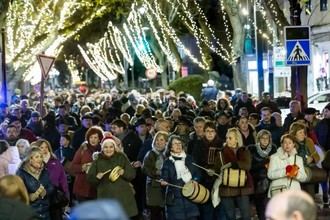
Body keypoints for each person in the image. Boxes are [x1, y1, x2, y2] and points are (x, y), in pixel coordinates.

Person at [87, 137, 138, 218]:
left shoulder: (122, 157)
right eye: (106, 147)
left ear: (114, 147)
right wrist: (97, 177)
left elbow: (132, 174)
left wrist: (123, 172)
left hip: (123, 197)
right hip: (106, 197)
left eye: (111, 147)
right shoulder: (97, 161)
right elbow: (90, 179)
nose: (108, 149)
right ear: (102, 148)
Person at [214, 127, 254, 220]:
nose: (227, 140)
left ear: (237, 139)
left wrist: (233, 164)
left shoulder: (245, 151)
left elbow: (247, 166)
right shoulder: (221, 153)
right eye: (227, 137)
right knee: (230, 216)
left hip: (243, 187)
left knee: (246, 216)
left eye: (230, 138)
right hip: (226, 188)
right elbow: (217, 169)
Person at [160, 135, 200, 220]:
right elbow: (164, 178)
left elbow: (197, 173)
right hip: (175, 201)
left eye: (179, 143)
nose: (178, 145)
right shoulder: (167, 162)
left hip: (191, 197)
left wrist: (196, 180)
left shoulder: (189, 158)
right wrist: (163, 181)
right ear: (170, 147)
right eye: (175, 144)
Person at [31, 139, 69, 220]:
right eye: (41, 147)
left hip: (54, 199)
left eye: (46, 147)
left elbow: (63, 181)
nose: (44, 150)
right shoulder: (31, 163)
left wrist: (66, 197)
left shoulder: (56, 162)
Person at [16, 147, 54, 219]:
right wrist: (29, 197)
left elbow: (51, 187)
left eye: (41, 156)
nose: (40, 159)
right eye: (37, 157)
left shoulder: (45, 171)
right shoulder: (21, 173)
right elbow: (17, 193)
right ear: (30, 159)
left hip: (45, 213)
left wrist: (46, 192)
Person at [248, 130, 277, 220]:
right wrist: (265, 162)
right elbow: (251, 167)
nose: (265, 140)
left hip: (270, 178)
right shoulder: (252, 149)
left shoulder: (273, 148)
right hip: (257, 179)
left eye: (267, 138)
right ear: (258, 139)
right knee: (260, 204)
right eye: (262, 138)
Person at [70, 126, 103, 202]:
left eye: (95, 137)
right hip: (82, 189)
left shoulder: (104, 149)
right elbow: (73, 167)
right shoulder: (83, 148)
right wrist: (83, 167)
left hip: (97, 189)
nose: (93, 140)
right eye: (91, 137)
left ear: (99, 139)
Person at [142, 131, 169, 220]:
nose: (159, 142)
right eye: (157, 140)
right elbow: (145, 169)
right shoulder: (150, 154)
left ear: (166, 142)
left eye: (161, 140)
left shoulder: (169, 155)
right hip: (153, 187)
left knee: (166, 214)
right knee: (155, 213)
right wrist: (157, 172)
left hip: (166, 187)